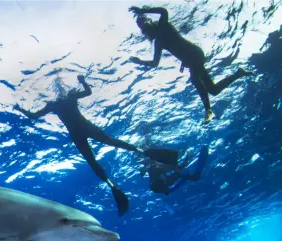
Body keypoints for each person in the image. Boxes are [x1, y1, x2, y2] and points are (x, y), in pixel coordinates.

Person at [13, 74, 180, 217]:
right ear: (59, 90)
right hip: (84, 129)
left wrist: (20, 109)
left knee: (98, 156)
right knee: (104, 150)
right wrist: (82, 81)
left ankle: (119, 175)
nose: (61, 91)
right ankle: (125, 169)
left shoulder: (57, 103)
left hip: (79, 132)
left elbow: (35, 116)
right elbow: (86, 92)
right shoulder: (63, 100)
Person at [128, 6, 254, 124]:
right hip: (191, 59)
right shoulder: (158, 43)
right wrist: (139, 61)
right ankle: (239, 73)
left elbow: (163, 11)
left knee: (194, 79)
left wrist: (143, 10)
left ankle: (208, 111)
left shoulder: (163, 25)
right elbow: (155, 63)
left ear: (149, 22)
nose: (145, 30)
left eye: (145, 24)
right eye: (143, 29)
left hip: (194, 54)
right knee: (213, 90)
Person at [140, 146, 209, 195]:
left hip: (157, 175)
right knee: (178, 176)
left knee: (176, 176)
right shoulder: (165, 179)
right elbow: (180, 168)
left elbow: (179, 168)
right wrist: (188, 156)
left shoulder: (155, 168)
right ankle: (193, 177)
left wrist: (143, 170)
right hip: (160, 182)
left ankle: (192, 177)